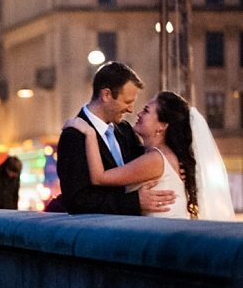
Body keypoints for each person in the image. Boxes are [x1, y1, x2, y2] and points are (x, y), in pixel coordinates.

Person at [65, 91, 235, 220]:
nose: (138, 113)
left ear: (162, 125)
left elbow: (99, 178)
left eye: (146, 111)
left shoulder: (155, 159)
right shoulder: (160, 155)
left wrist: (89, 133)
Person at [52, 61, 175, 215]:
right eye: (127, 102)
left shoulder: (125, 130)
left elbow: (144, 166)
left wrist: (172, 165)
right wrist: (134, 202)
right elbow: (78, 200)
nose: (131, 109)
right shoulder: (74, 137)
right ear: (106, 95)